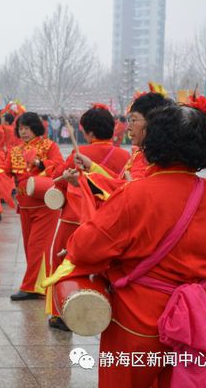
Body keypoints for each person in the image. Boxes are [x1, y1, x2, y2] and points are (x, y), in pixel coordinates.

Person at [53, 101, 206, 387]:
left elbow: (87, 246)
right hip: (198, 319)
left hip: (139, 321)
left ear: (155, 140)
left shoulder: (137, 194)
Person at [46, 105, 130, 329]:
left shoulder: (80, 154)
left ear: (90, 133)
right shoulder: (125, 156)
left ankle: (62, 312)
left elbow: (58, 179)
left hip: (75, 217)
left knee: (62, 262)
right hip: (109, 220)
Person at [0, 112, 64, 300]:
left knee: (37, 246)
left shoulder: (49, 146)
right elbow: (6, 169)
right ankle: (40, 285)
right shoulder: (15, 150)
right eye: (21, 128)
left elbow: (59, 166)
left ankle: (30, 286)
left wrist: (38, 162)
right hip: (25, 205)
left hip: (45, 204)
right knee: (29, 247)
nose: (24, 132)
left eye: (27, 128)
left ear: (35, 128)